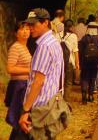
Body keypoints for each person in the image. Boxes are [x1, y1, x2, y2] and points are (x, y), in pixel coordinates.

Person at [18, 8, 65, 138]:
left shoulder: (44, 46)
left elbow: (38, 81)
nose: (30, 28)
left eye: (33, 24)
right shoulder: (55, 43)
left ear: (45, 23)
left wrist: (26, 110)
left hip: (39, 109)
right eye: (28, 24)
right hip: (51, 106)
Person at [5, 21, 32, 140]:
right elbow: (10, 68)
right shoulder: (16, 47)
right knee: (20, 118)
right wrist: (30, 70)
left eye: (27, 29)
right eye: (22, 29)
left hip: (24, 85)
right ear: (16, 33)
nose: (25, 32)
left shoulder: (24, 47)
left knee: (19, 119)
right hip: (19, 86)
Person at [80, 21, 98, 104]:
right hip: (95, 62)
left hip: (85, 62)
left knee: (84, 78)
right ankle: (90, 96)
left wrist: (80, 62)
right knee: (92, 78)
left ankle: (84, 95)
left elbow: (81, 51)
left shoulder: (84, 38)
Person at [60, 19, 79, 102]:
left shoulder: (58, 34)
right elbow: (75, 50)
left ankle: (58, 101)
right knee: (68, 82)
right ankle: (66, 101)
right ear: (71, 27)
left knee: (59, 82)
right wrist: (77, 63)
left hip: (58, 62)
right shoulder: (73, 36)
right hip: (69, 62)